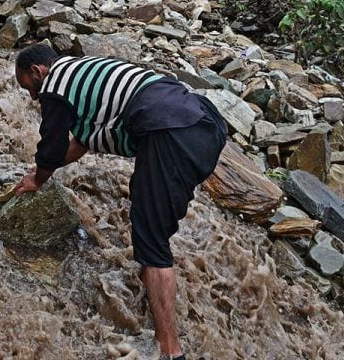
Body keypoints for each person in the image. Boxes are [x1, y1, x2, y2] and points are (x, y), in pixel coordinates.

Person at [13, 44, 227, 360]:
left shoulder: (55, 82)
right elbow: (78, 144)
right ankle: (153, 283)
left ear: (37, 71)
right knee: (155, 224)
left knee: (151, 243)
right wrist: (39, 170)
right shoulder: (84, 73)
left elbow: (51, 146)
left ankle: (171, 351)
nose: (33, 98)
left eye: (29, 88)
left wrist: (37, 179)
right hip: (203, 122)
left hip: (167, 129)